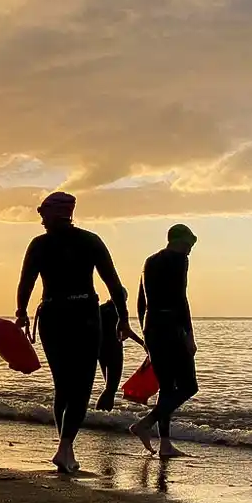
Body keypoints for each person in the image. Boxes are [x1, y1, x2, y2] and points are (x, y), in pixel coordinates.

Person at [15, 191, 131, 474]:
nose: (40, 218)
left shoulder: (40, 245)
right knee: (81, 386)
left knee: (63, 386)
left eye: (43, 212)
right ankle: (65, 447)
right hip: (84, 316)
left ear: (54, 214)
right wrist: (123, 319)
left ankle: (64, 447)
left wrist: (21, 313)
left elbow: (26, 283)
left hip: (53, 316)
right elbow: (114, 285)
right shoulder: (90, 241)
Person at [129, 224, 199, 458]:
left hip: (153, 327)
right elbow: (181, 297)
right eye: (189, 245)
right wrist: (189, 334)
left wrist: (146, 335)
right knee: (189, 386)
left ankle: (165, 445)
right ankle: (145, 424)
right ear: (180, 241)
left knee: (167, 388)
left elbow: (141, 302)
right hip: (171, 326)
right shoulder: (179, 260)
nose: (190, 250)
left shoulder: (149, 262)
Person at [95, 289, 144, 412]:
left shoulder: (100, 309)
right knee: (111, 388)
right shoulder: (118, 312)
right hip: (114, 351)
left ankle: (100, 415)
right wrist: (143, 343)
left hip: (100, 351)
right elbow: (127, 331)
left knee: (109, 387)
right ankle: (101, 414)